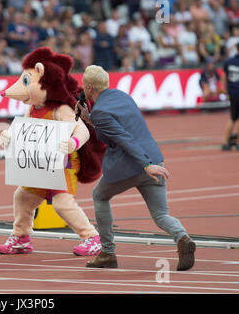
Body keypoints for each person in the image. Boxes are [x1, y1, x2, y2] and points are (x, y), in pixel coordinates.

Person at [75, 65, 196, 271]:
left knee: (99, 196)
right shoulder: (123, 96)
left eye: (83, 86)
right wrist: (90, 120)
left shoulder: (101, 111)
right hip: (155, 160)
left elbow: (123, 138)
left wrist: (145, 165)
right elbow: (117, 131)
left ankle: (107, 252)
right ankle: (183, 238)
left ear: (89, 87)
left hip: (133, 165)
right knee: (161, 215)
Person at [221, 43, 239, 151]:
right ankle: (237, 143)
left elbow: (224, 78)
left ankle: (225, 142)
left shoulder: (229, 62)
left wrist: (226, 91)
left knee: (232, 118)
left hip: (233, 93)